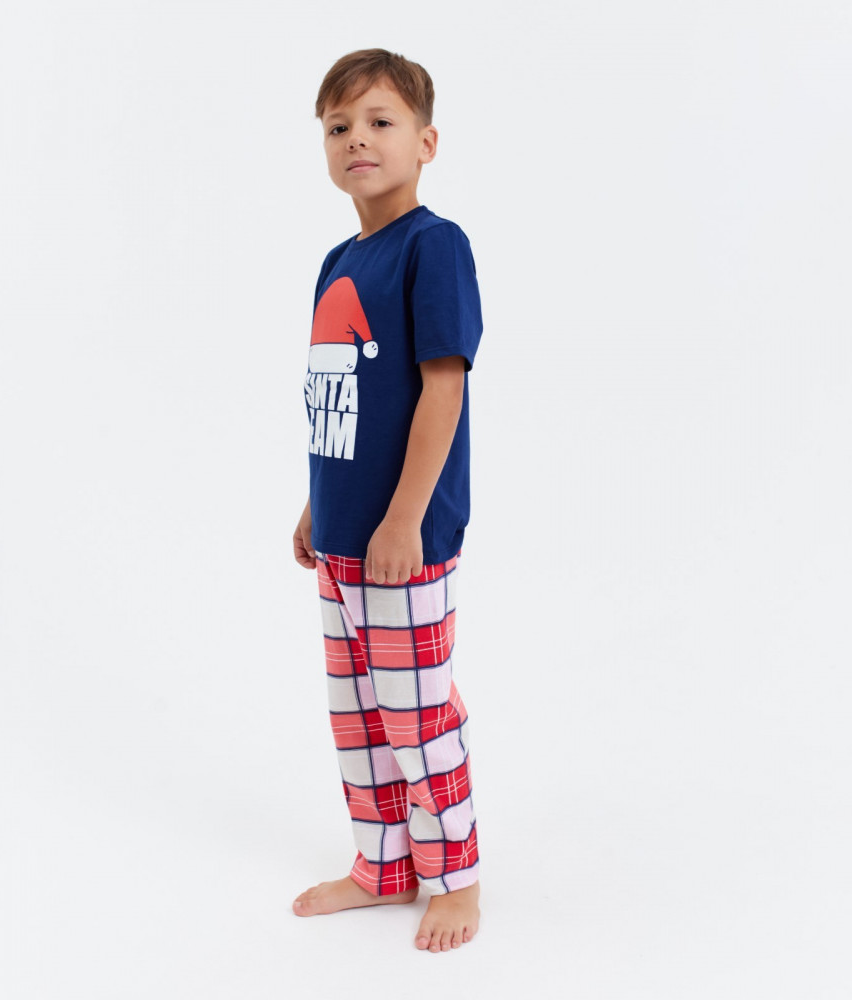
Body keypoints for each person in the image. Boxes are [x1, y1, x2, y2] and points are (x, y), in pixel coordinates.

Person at [291, 48, 483, 954]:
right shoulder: (338, 260)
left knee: (415, 714)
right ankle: (384, 864)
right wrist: (315, 504)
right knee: (360, 720)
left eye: (379, 121)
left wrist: (405, 516)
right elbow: (338, 398)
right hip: (341, 538)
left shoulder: (432, 246)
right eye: (339, 126)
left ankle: (455, 877)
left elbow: (442, 387)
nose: (357, 140)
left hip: (403, 539)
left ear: (426, 143)